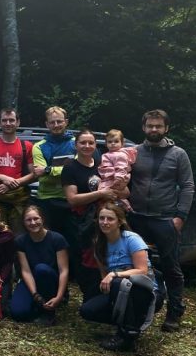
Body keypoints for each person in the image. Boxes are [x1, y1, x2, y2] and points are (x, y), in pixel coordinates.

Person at [128, 109, 194, 332]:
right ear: (143, 128)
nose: (154, 129)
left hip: (165, 219)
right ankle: (136, 310)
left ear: (166, 128)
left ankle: (174, 313)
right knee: (135, 266)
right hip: (136, 218)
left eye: (158, 126)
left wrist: (180, 217)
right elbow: (121, 179)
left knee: (171, 267)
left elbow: (187, 186)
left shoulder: (178, 154)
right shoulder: (134, 152)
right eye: (150, 126)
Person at [79, 202, 160, 352]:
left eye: (110, 219)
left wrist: (115, 274)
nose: (105, 222)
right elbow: (104, 277)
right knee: (87, 310)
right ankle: (128, 322)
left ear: (120, 221)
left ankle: (127, 334)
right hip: (119, 289)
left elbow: (142, 270)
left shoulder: (131, 239)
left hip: (144, 291)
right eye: (101, 218)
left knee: (118, 282)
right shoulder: (98, 243)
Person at [62, 128, 118, 299]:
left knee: (104, 256)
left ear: (95, 145)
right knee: (86, 260)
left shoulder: (102, 164)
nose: (87, 146)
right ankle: (90, 297)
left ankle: (106, 296)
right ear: (75, 145)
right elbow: (72, 199)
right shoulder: (70, 167)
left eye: (91, 143)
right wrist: (100, 194)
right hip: (82, 223)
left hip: (105, 221)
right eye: (83, 142)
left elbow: (118, 189)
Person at [0, 108, 36, 233]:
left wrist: (11, 184)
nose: (8, 123)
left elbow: (34, 174)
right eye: (4, 120)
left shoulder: (27, 146)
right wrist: (2, 178)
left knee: (19, 235)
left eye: (11, 120)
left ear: (18, 122)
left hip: (19, 199)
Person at [11, 205, 70, 324]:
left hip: (51, 280)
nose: (33, 223)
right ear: (24, 222)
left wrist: (59, 296)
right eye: (28, 220)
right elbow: (26, 271)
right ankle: (38, 305)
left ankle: (49, 311)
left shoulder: (57, 239)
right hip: (31, 281)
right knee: (18, 313)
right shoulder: (20, 241)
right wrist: (35, 295)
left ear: (42, 219)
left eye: (36, 218)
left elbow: (64, 271)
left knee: (41, 269)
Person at [31, 106, 76, 239]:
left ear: (66, 122)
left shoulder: (78, 144)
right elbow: (42, 177)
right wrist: (67, 171)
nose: (56, 125)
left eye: (59, 121)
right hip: (47, 201)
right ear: (47, 124)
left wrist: (48, 170)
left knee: (73, 242)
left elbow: (76, 171)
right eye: (52, 122)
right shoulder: (38, 146)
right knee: (49, 242)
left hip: (71, 200)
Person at [99, 129, 137, 211]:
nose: (113, 143)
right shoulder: (109, 154)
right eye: (110, 142)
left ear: (122, 143)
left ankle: (126, 207)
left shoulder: (119, 155)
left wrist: (118, 179)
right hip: (109, 178)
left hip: (115, 179)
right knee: (111, 197)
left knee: (110, 196)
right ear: (106, 144)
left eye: (116, 141)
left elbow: (121, 167)